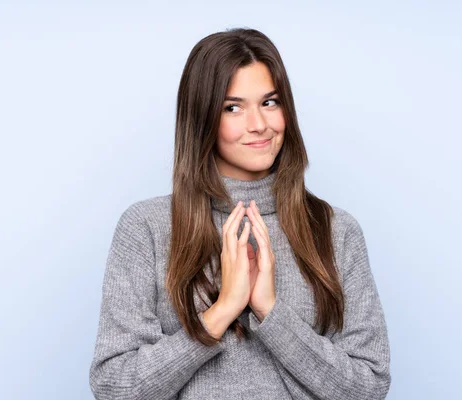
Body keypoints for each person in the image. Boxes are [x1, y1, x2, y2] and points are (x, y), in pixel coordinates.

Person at [88, 27, 391, 399]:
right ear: (202, 119)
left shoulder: (334, 230)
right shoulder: (147, 228)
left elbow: (368, 387)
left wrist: (270, 312)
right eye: (233, 107)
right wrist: (222, 311)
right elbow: (115, 387)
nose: (259, 124)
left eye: (270, 102)